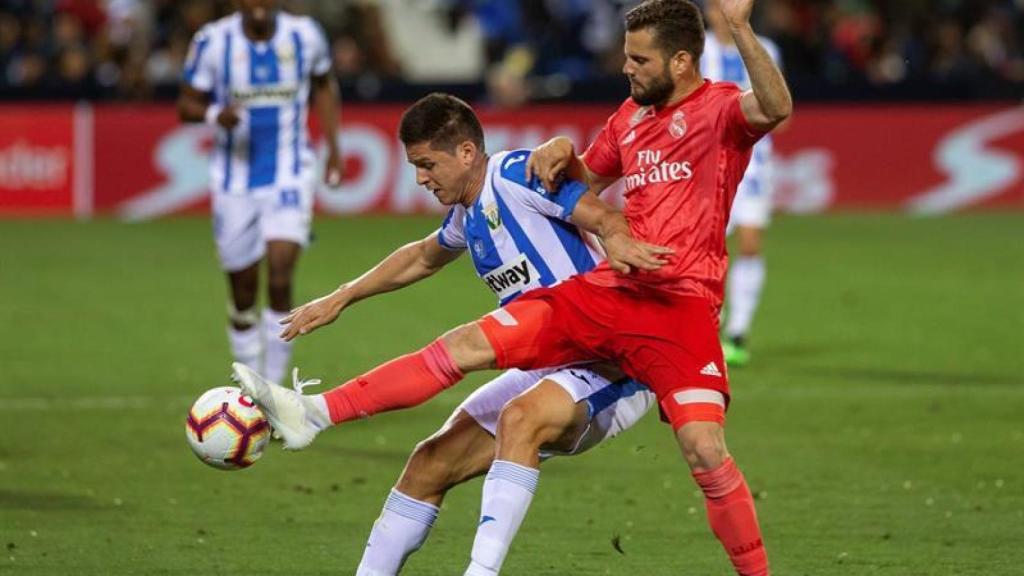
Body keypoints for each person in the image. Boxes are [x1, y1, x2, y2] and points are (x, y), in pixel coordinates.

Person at [237, 0, 791, 574]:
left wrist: (742, 28)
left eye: (638, 58)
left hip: (652, 329)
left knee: (700, 449)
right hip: (604, 304)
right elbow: (574, 185)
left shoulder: (718, 109)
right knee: (432, 453)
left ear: (680, 61)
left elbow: (773, 108)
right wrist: (562, 150)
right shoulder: (625, 120)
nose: (625, 67)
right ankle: (315, 415)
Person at [272, 92, 658, 576]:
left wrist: (622, 246)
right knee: (430, 462)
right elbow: (421, 255)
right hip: (548, 363)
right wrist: (341, 296)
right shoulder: (467, 213)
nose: (420, 178)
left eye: (427, 164)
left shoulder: (516, 175)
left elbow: (602, 216)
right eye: (414, 166)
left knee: (516, 415)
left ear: (467, 153)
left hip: (608, 365)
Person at [177, 0, 343, 385]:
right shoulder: (213, 42)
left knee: (281, 272)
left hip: (290, 173)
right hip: (233, 182)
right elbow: (185, 103)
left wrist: (334, 146)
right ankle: (250, 383)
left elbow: (323, 84)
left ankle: (270, 391)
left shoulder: (305, 35)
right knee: (243, 290)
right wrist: (214, 115)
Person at [701, 0, 783, 367]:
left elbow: (780, 103)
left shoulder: (766, 47)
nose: (722, 12)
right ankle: (701, 326)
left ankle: (737, 332)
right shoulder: (694, 47)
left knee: (750, 243)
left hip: (755, 162)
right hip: (706, 161)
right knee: (706, 245)